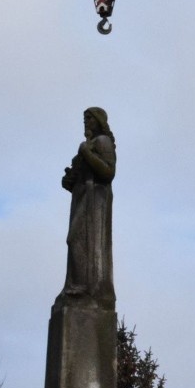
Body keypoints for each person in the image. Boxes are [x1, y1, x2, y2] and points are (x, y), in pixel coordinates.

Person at [61, 107, 116, 303]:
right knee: (76, 240)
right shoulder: (89, 144)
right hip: (82, 197)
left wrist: (87, 153)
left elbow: (108, 172)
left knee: (79, 239)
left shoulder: (102, 142)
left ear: (99, 121)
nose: (86, 122)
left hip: (95, 200)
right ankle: (76, 284)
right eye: (84, 119)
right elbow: (80, 175)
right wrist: (69, 181)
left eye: (90, 119)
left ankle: (85, 286)